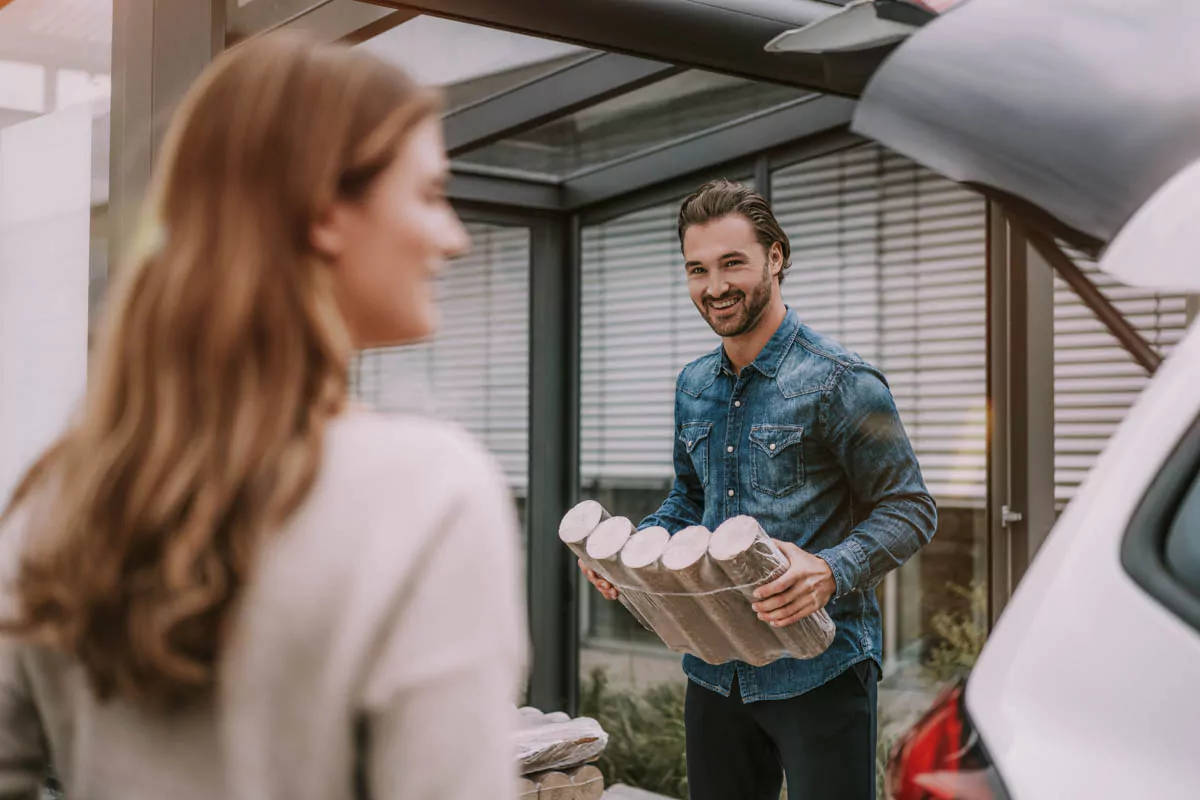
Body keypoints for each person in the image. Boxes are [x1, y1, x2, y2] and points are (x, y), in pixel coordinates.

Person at [0, 33, 527, 800]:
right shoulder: (431, 494)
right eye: (428, 194)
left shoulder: (61, 497)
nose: (454, 237)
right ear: (323, 209)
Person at [581, 180, 937, 799]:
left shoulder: (842, 382)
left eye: (732, 263)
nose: (714, 286)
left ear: (776, 257)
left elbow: (910, 508)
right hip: (716, 672)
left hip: (822, 670)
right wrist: (634, 552)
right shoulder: (693, 385)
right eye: (698, 269)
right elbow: (689, 501)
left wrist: (829, 570)